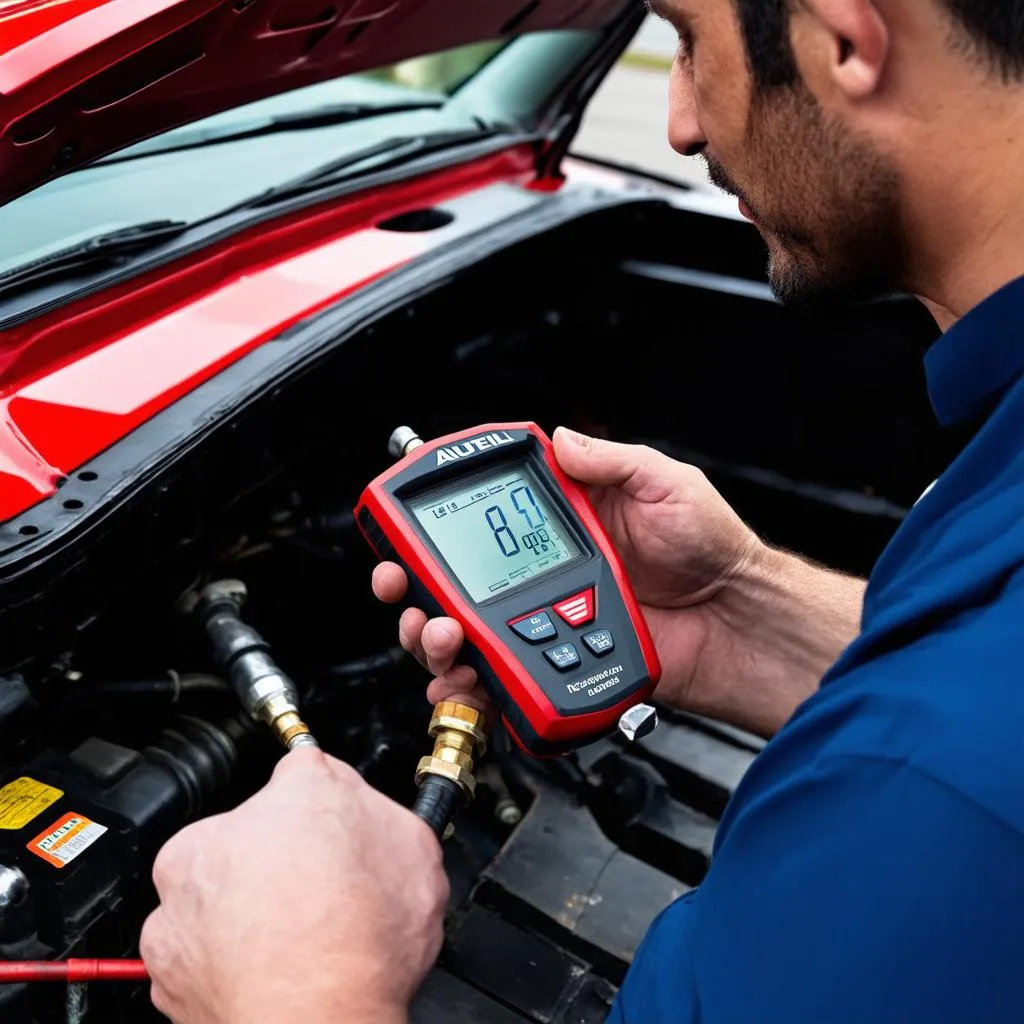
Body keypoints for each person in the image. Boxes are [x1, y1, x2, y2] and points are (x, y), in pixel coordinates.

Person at [139, 0, 1024, 1020]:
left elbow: (953, 757)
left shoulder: (938, 807)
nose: (680, 122)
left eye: (689, 38)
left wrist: (291, 991)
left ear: (843, 35)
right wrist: (750, 610)